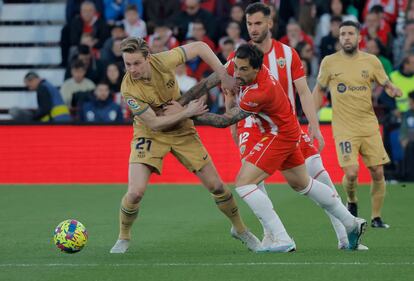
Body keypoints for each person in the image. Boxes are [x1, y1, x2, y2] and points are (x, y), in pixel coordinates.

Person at [179, 2, 355, 250]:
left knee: (314, 173)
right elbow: (227, 90)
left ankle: (342, 235)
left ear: (270, 23)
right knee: (267, 181)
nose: (253, 28)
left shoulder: (287, 54)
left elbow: (303, 91)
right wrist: (227, 123)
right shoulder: (240, 57)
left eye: (258, 23)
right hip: (250, 124)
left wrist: (313, 124)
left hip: (283, 126)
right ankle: (274, 235)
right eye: (249, 23)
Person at [109, 37, 261, 254]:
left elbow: (200, 46)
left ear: (148, 59)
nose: (132, 69)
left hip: (182, 130)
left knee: (217, 186)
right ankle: (123, 237)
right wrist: (186, 112)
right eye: (127, 64)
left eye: (136, 63)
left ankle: (240, 230)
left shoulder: (163, 61)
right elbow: (153, 122)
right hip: (150, 133)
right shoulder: (128, 88)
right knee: (135, 193)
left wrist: (224, 75)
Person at [313, 21, 402, 229]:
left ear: (359, 37)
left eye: (350, 34)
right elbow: (319, 90)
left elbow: (386, 83)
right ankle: (352, 201)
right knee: (351, 172)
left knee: (377, 172)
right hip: (344, 127)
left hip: (369, 126)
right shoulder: (329, 62)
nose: (346, 37)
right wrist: (312, 118)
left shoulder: (371, 61)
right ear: (339, 37)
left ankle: (377, 217)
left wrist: (393, 89)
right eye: (343, 34)